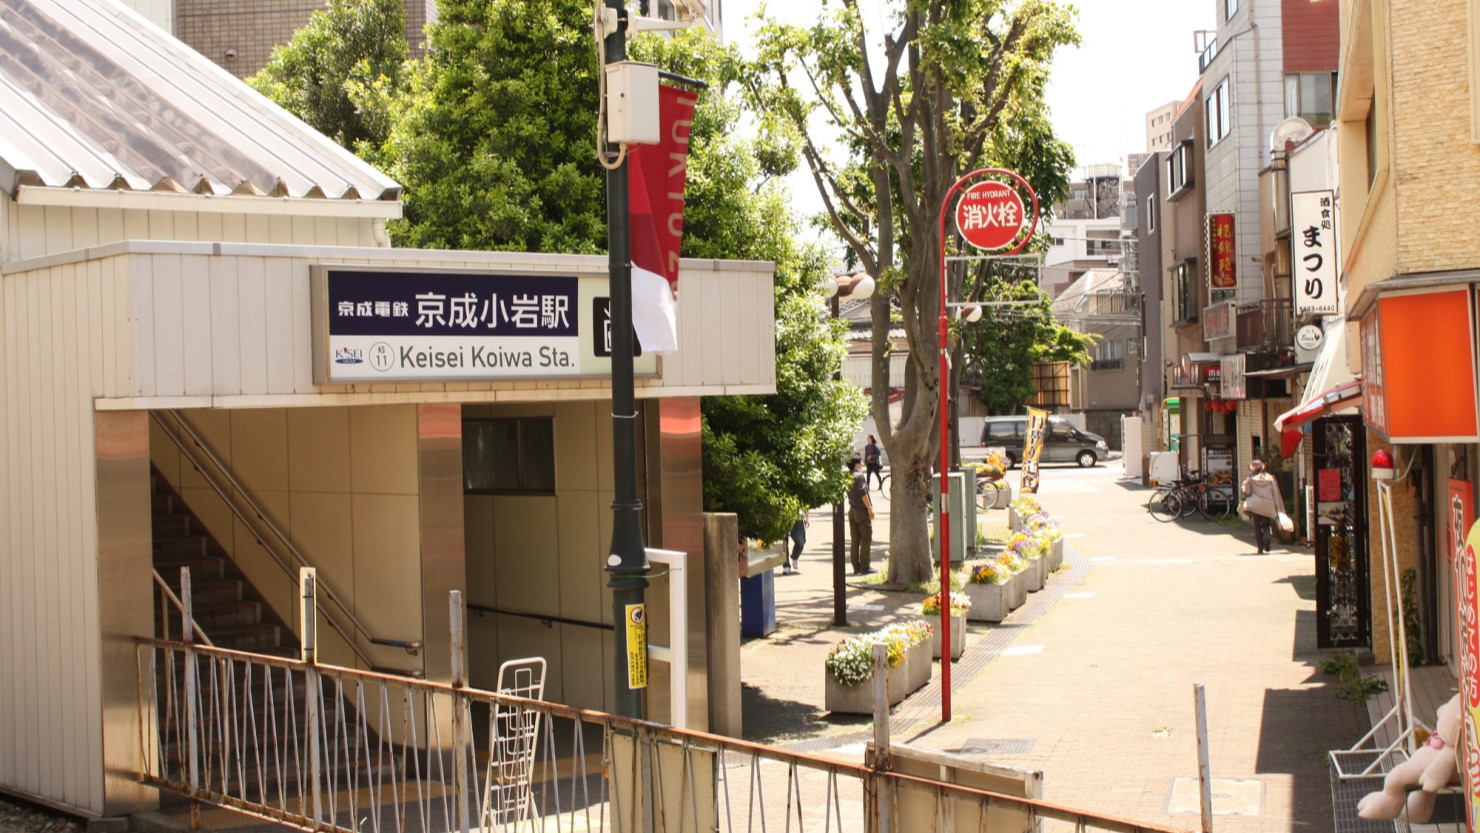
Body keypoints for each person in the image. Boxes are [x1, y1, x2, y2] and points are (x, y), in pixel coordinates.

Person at [1241, 460, 1284, 554]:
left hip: (1255, 506)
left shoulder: (1250, 479)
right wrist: (1277, 506)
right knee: (1266, 525)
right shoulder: (1270, 478)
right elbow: (1275, 492)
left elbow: (1247, 492)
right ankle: (1267, 541)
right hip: (1268, 506)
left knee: (1257, 527)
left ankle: (1260, 549)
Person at [847, 457, 874, 574]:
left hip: (852, 510)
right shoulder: (859, 477)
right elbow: (863, 493)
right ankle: (865, 566)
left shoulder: (848, 476)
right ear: (856, 464)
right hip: (861, 511)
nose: (862, 463)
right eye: (860, 462)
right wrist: (869, 508)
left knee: (855, 540)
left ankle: (856, 567)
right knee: (865, 539)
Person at [784, 508, 808, 575]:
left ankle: (795, 556)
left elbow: (806, 503)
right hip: (782, 516)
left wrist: (807, 517)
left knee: (800, 542)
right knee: (784, 542)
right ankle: (786, 565)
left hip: (797, 516)